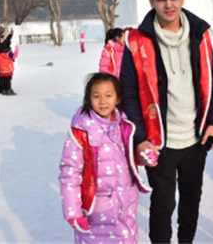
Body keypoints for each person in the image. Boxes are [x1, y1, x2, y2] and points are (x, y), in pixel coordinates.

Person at [120, 0, 213, 243]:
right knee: (163, 204)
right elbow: (129, 93)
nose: (169, 5)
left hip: (194, 138)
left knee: (191, 200)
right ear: (152, 1)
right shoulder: (138, 42)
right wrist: (140, 138)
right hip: (159, 142)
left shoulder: (200, 34)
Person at [59, 72, 150, 244]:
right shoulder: (80, 132)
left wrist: (143, 157)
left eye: (108, 95)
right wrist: (73, 212)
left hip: (125, 206)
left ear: (117, 99)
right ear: (88, 99)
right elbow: (69, 174)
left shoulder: (124, 126)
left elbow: (127, 161)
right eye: (96, 96)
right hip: (96, 212)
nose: (102, 101)